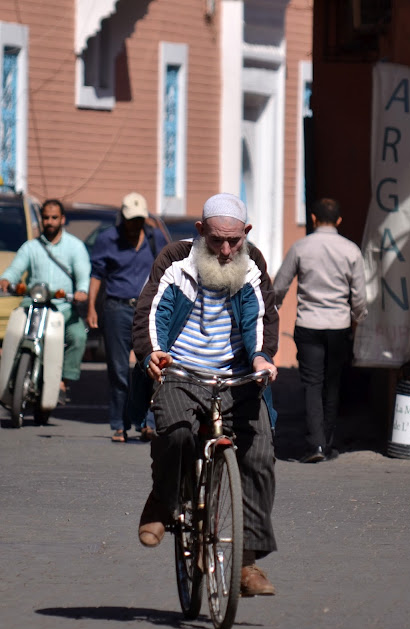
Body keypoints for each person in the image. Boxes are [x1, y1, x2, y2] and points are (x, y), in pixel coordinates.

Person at [132, 193, 279, 597]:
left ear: (245, 234)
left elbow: (262, 317)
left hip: (236, 377)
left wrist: (263, 358)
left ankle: (245, 562)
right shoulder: (175, 261)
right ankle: (164, 499)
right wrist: (154, 353)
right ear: (201, 231)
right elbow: (151, 311)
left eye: (234, 240)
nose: (226, 250)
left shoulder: (252, 267)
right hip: (180, 372)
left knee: (261, 454)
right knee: (177, 433)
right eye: (216, 240)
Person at [274, 198, 367, 463]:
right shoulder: (351, 250)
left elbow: (280, 285)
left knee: (312, 384)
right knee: (333, 384)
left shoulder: (301, 247)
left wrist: (274, 307)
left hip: (308, 324)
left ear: (313, 218)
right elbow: (359, 295)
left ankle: (314, 444)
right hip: (338, 326)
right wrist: (357, 318)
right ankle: (326, 443)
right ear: (339, 220)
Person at [87, 192, 168, 443]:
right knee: (119, 370)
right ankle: (119, 423)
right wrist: (91, 308)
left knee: (151, 367)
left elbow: (168, 271)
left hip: (147, 310)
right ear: (122, 218)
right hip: (116, 309)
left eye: (139, 220)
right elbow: (97, 275)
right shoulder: (107, 240)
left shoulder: (155, 239)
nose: (135, 225)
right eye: (131, 220)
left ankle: (147, 423)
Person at [0, 199, 91, 401]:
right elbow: (16, 268)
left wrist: (82, 291)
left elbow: (83, 274)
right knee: (13, 332)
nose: (49, 222)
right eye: (46, 218)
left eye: (54, 217)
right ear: (41, 219)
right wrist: (7, 279)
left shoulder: (75, 247)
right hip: (32, 305)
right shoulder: (31, 247)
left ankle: (63, 382)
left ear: (62, 219)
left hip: (62, 307)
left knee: (78, 337)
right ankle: (9, 378)